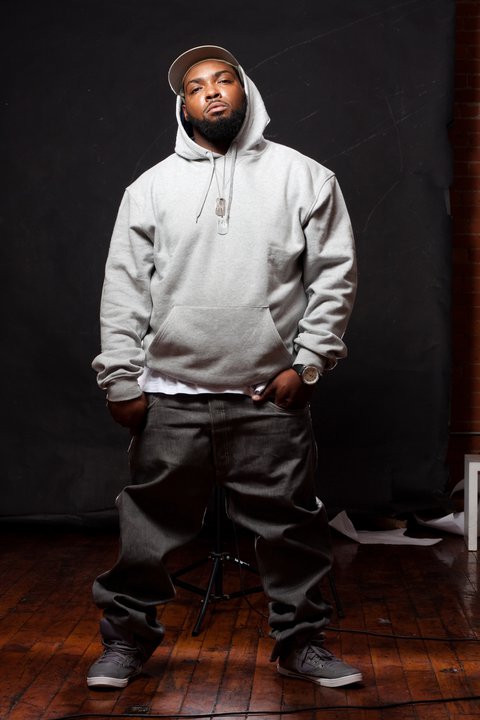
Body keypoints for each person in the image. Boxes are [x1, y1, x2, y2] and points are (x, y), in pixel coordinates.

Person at [88, 45, 361, 691]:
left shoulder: (305, 177)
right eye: (195, 86)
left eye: (224, 80)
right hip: (169, 394)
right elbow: (124, 288)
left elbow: (335, 277)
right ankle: (125, 644)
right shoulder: (150, 189)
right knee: (146, 533)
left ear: (247, 92)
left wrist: (309, 363)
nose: (211, 91)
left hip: (267, 394)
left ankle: (301, 645)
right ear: (182, 106)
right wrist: (121, 379)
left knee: (292, 530)